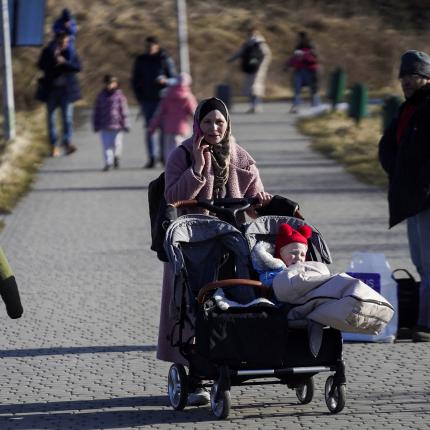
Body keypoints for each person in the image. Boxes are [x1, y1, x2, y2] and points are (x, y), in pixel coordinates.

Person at [158, 97, 289, 406]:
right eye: (207, 122)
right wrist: (198, 170)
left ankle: (231, 359)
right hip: (193, 244)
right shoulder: (182, 155)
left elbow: (255, 206)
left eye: (220, 122)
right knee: (191, 306)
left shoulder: (240, 156)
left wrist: (261, 201)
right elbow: (172, 196)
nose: (214, 128)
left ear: (228, 124)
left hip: (231, 242)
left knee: (234, 302)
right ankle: (197, 376)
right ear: (197, 125)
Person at [378, 50, 430, 342]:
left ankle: (426, 324)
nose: (407, 81)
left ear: (427, 77)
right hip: (411, 197)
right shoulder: (407, 108)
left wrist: (421, 182)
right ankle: (420, 320)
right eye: (404, 76)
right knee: (420, 262)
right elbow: (387, 145)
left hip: (425, 196)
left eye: (414, 75)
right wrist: (397, 172)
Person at [131, 36, 177, 168]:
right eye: (147, 46)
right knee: (149, 129)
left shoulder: (165, 59)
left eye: (151, 46)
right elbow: (135, 80)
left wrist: (165, 81)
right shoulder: (141, 60)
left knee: (164, 129)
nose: (149, 48)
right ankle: (151, 157)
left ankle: (163, 157)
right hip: (147, 100)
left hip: (163, 100)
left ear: (157, 46)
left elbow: (175, 79)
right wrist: (139, 96)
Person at [36, 31, 81, 157]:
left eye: (66, 41)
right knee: (51, 119)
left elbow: (78, 67)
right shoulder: (48, 51)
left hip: (66, 91)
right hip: (51, 90)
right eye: (62, 42)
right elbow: (40, 65)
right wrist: (52, 60)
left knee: (67, 118)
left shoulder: (71, 52)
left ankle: (67, 143)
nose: (64, 44)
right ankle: (54, 145)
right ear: (56, 40)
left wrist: (64, 62)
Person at [148, 73, 197, 163]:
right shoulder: (188, 97)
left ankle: (170, 167)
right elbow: (194, 113)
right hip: (183, 127)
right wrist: (201, 126)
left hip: (168, 128)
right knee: (182, 148)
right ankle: (180, 168)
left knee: (169, 149)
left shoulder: (167, 96)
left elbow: (159, 113)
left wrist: (152, 127)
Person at [227, 26, 271, 113]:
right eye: (251, 33)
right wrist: (231, 59)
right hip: (249, 68)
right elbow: (240, 53)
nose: (252, 35)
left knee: (255, 87)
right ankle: (253, 105)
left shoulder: (261, 43)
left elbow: (267, 55)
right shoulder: (248, 44)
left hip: (258, 69)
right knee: (250, 88)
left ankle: (256, 105)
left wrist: (262, 66)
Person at [92, 75, 130, 171]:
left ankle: (116, 157)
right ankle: (108, 162)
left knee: (117, 144)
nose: (109, 85)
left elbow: (124, 111)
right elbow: (97, 111)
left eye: (111, 83)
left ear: (116, 84)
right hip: (104, 125)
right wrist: (96, 124)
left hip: (117, 126)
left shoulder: (119, 96)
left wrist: (126, 124)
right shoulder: (101, 96)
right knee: (106, 145)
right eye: (107, 83)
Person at [285, 31, 320, 114]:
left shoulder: (311, 46)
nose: (299, 39)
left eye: (300, 38)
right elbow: (293, 58)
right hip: (299, 70)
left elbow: (316, 57)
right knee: (297, 89)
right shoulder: (298, 47)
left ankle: (316, 106)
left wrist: (306, 54)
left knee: (313, 89)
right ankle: (295, 106)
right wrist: (287, 65)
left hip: (310, 70)